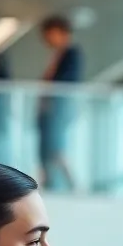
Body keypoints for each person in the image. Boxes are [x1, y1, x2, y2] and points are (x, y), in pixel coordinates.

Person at [37, 15, 82, 191]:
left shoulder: (72, 54)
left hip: (58, 107)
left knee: (56, 147)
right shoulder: (57, 55)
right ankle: (51, 183)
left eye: (50, 34)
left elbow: (65, 82)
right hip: (50, 108)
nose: (47, 39)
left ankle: (72, 186)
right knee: (48, 149)